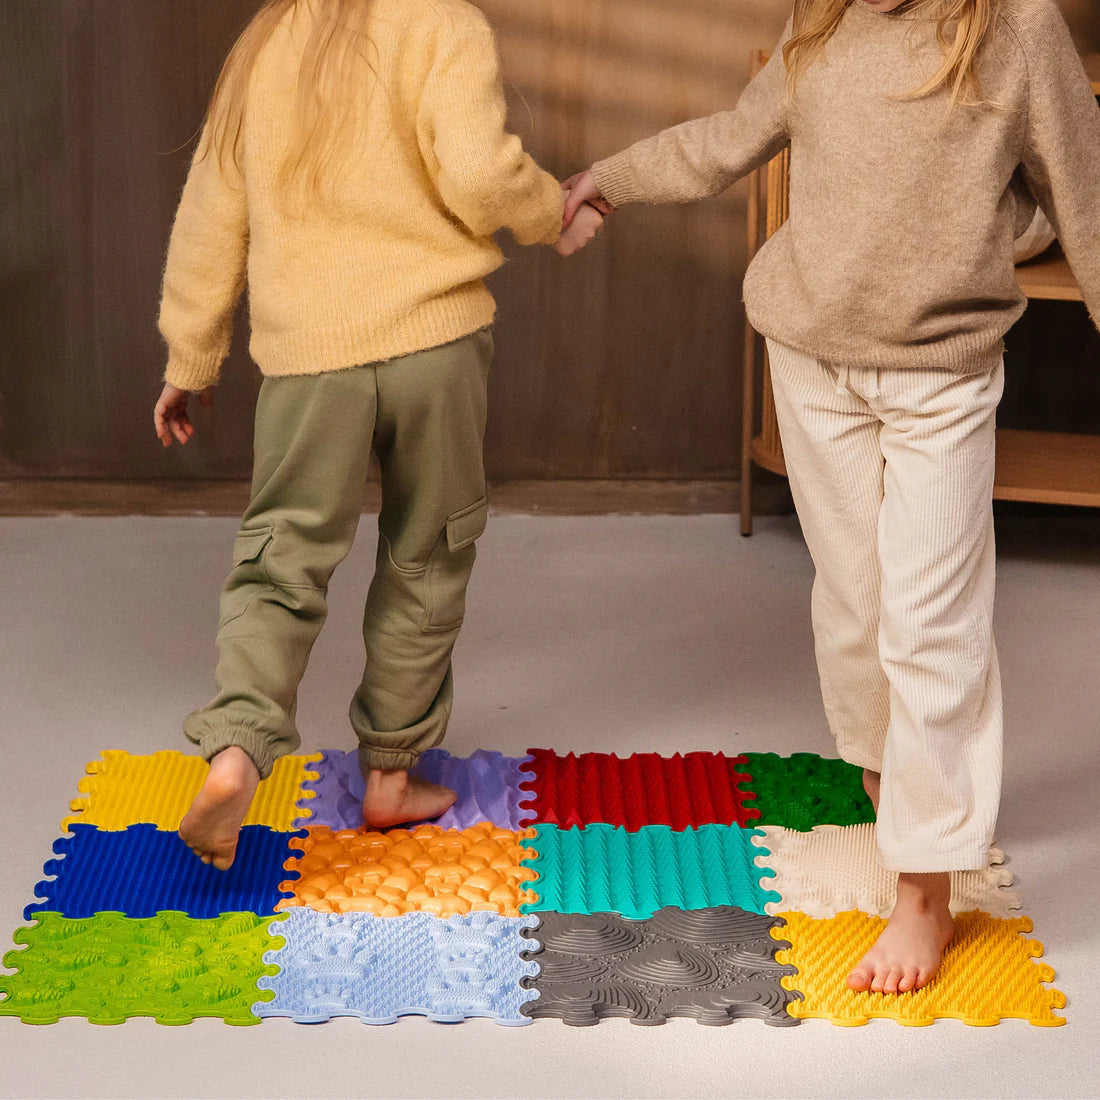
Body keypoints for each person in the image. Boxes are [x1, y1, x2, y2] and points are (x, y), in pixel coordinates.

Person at [562, 0, 1100, 994]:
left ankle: (925, 891)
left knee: (931, 624)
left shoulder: (1014, 28)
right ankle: (897, 790)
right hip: (811, 363)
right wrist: (610, 179)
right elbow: (732, 137)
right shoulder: (824, 19)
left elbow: (1086, 192)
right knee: (855, 607)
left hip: (939, 372)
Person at [153, 0, 605, 871]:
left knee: (282, 555)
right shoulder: (440, 23)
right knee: (429, 550)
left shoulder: (264, 44)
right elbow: (480, 173)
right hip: (435, 346)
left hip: (308, 362)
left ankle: (238, 748)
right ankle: (391, 777)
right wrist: (551, 213)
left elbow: (211, 215)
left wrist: (191, 357)